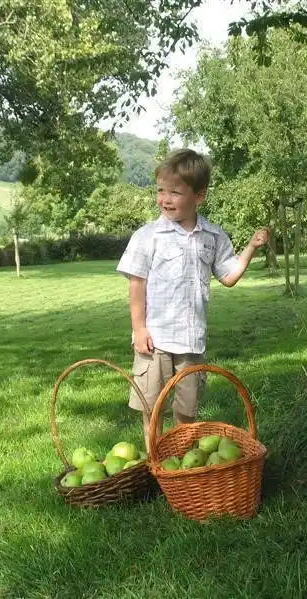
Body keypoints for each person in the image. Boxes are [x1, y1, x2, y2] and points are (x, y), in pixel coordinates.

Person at [116, 148, 269, 451]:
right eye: (160, 190)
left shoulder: (213, 236)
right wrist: (139, 329)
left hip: (191, 341)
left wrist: (251, 247)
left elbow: (229, 276)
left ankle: (182, 462)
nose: (165, 199)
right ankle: (154, 461)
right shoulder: (148, 236)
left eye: (175, 192)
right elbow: (137, 283)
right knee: (152, 409)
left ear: (199, 196)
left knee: (187, 411)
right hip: (156, 340)